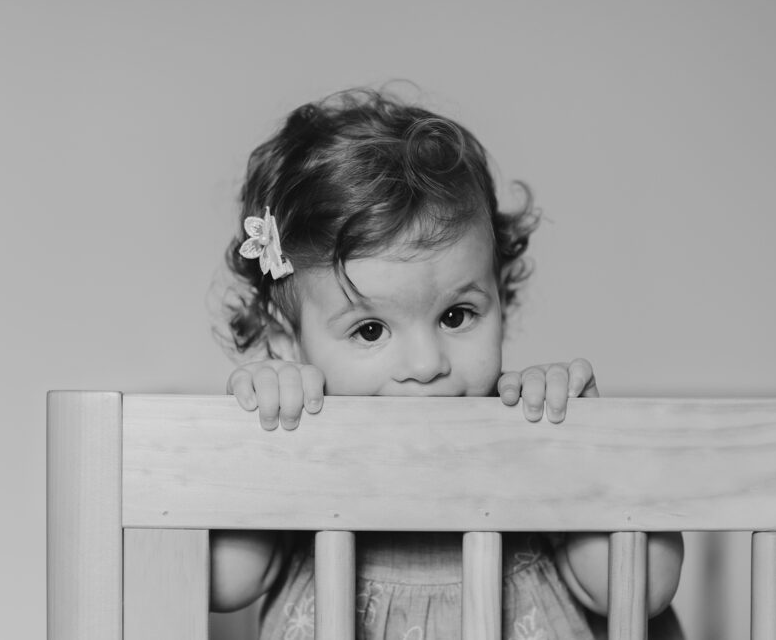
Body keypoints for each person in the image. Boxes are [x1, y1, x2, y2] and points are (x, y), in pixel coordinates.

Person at [210, 87, 684, 639]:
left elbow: (642, 592)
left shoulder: (527, 434)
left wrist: (584, 452)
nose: (427, 363)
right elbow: (223, 583)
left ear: (500, 296)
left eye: (457, 316)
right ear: (287, 342)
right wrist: (257, 443)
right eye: (370, 330)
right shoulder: (306, 457)